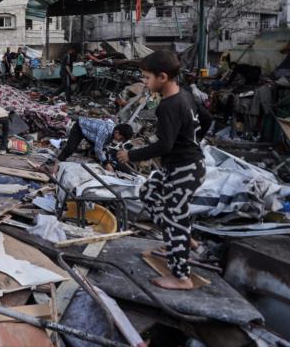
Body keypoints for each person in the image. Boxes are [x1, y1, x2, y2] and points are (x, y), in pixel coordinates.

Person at [117, 50, 212, 291]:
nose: (144, 83)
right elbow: (207, 119)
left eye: (147, 78)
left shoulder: (168, 105)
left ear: (162, 77)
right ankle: (184, 236)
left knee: (173, 218)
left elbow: (164, 145)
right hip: (185, 165)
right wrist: (192, 139)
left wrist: (131, 155)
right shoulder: (187, 95)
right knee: (148, 191)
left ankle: (181, 277)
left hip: (184, 168)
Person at [58, 117, 133, 168]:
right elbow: (98, 149)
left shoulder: (113, 132)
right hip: (80, 127)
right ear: (117, 132)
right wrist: (106, 163)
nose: (121, 141)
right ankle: (58, 162)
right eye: (121, 138)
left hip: (92, 134)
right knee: (71, 148)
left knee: (100, 153)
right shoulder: (105, 131)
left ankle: (88, 153)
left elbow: (105, 145)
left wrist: (106, 159)